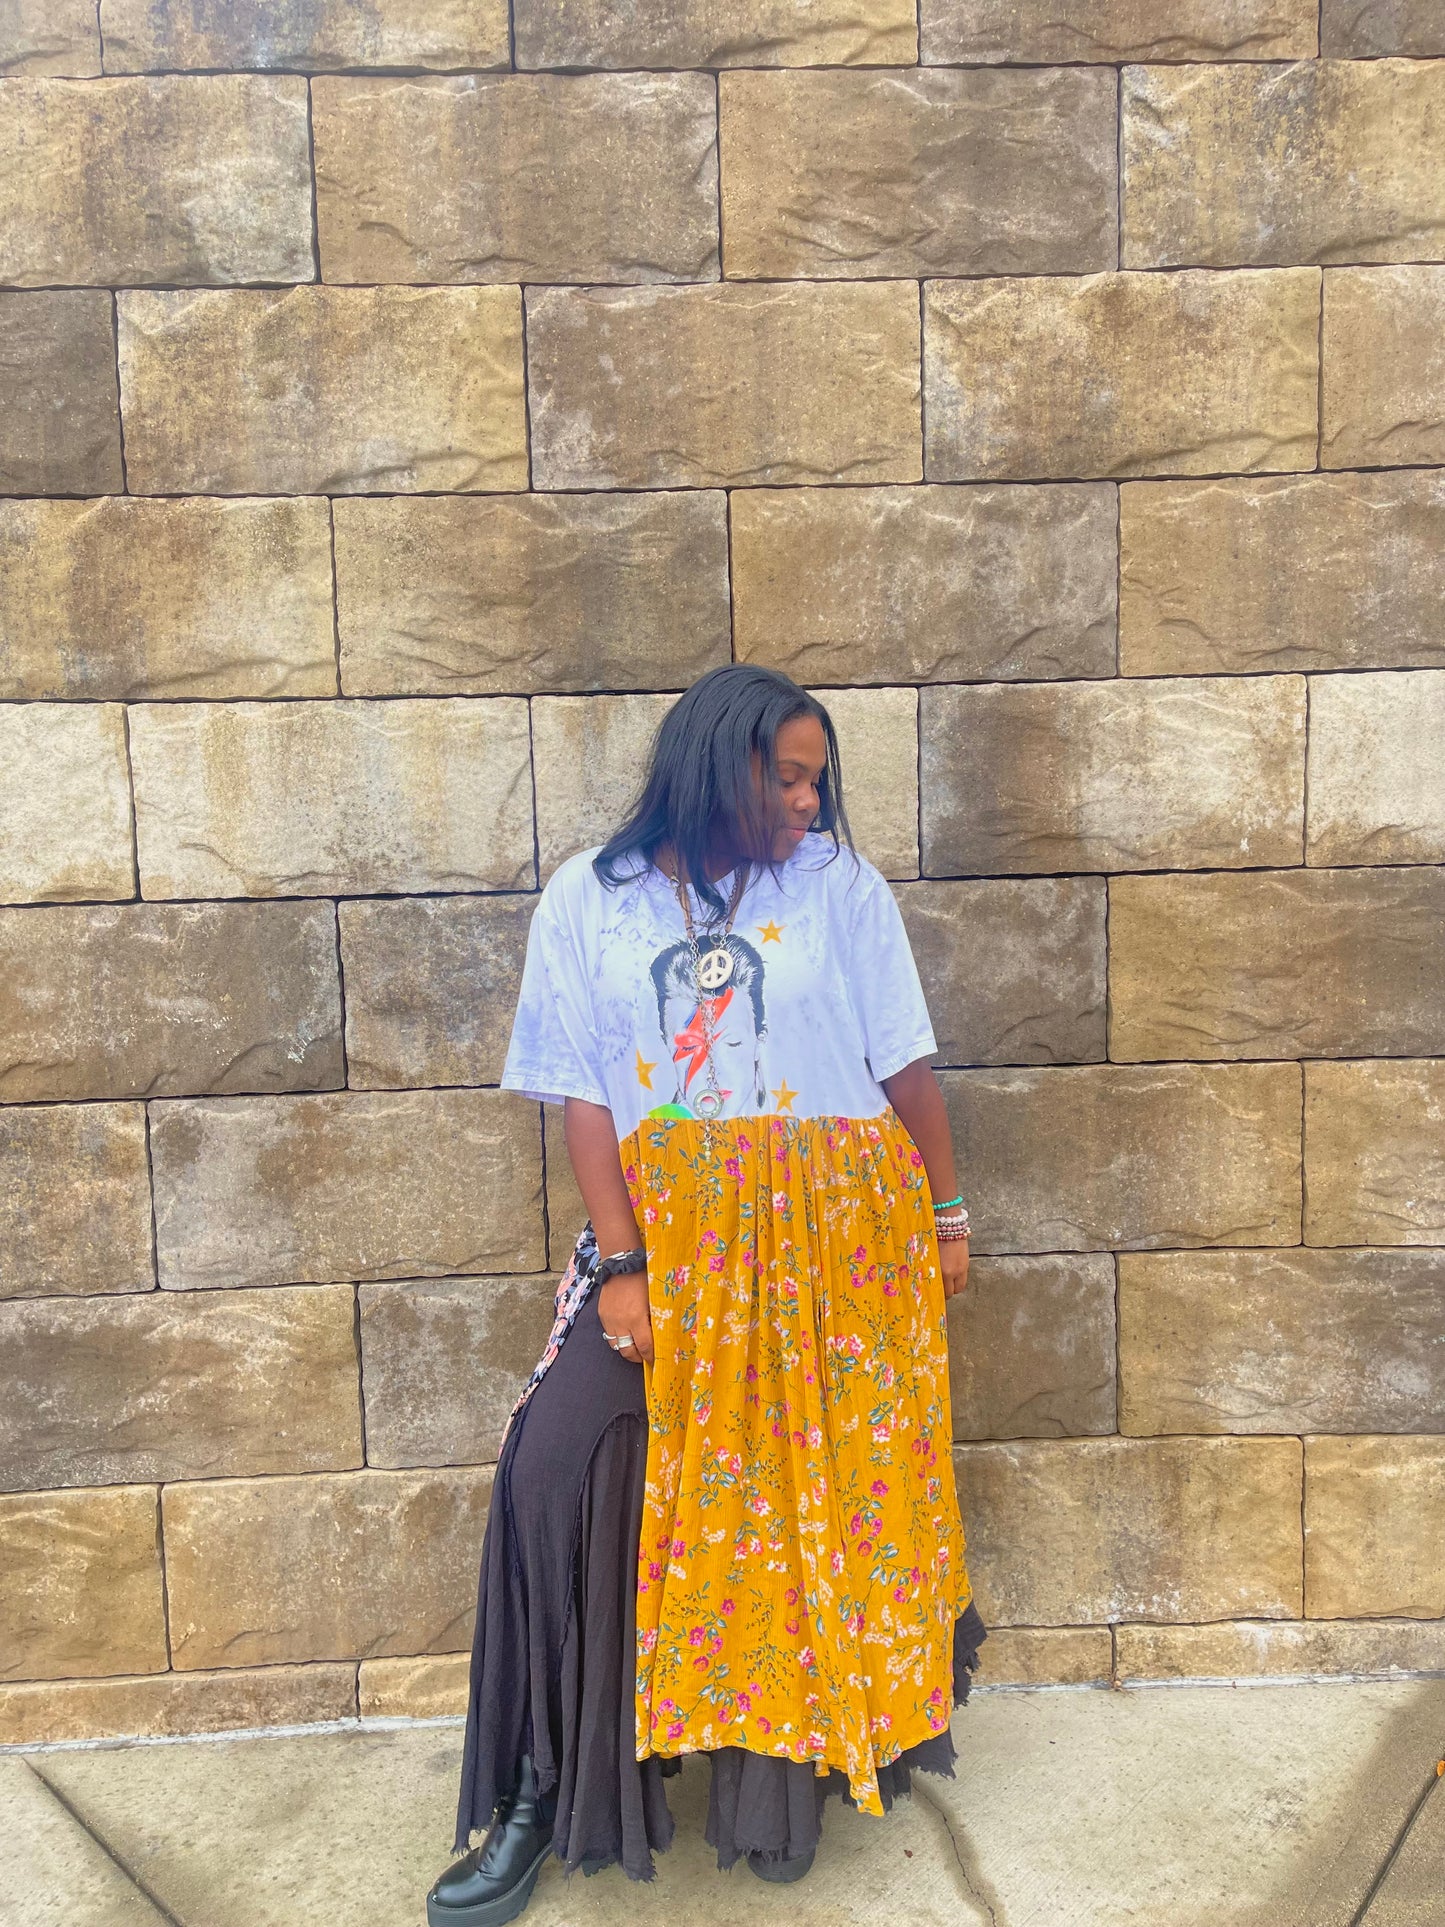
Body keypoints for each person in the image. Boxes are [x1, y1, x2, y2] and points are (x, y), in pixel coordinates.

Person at [427, 664, 984, 1927]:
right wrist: (622, 1266)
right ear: (712, 763)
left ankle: (784, 1780)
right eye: (784, 777)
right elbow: (584, 1093)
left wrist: (945, 1217)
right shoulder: (590, 896)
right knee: (555, 1468)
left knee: (804, 1501)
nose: (805, 802)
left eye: (815, 781)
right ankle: (538, 1788)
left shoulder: (838, 886)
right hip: (671, 1244)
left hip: (837, 1244)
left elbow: (903, 1062)